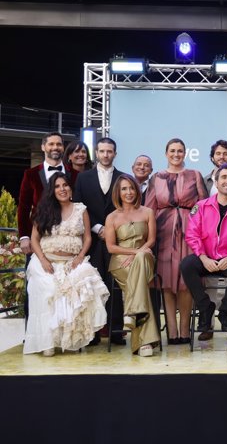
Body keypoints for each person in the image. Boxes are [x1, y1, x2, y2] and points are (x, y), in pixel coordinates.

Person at [23, 173, 109, 356]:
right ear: (52, 190)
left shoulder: (80, 209)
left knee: (85, 281)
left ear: (70, 188)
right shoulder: (44, 210)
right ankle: (47, 341)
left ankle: (70, 338)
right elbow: (34, 239)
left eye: (65, 185)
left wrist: (80, 257)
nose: (62, 189)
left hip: (71, 261)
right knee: (49, 288)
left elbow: (87, 237)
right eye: (57, 186)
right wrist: (43, 260)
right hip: (45, 261)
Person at [145, 138, 207, 345]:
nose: (176, 154)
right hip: (163, 233)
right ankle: (171, 330)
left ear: (185, 153)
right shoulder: (156, 178)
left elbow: (204, 207)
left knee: (186, 282)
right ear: (166, 153)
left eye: (180, 151)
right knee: (166, 281)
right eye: (172, 151)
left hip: (190, 232)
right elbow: (149, 209)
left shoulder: (195, 175)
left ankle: (184, 330)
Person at [181, 164, 227, 342]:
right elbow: (192, 235)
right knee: (187, 265)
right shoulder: (201, 206)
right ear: (216, 181)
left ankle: (225, 310)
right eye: (224, 177)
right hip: (206, 257)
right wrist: (203, 257)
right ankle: (205, 307)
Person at [73, 137, 125, 345]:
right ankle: (92, 334)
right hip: (92, 239)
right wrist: (97, 227)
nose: (106, 154)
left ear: (115, 154)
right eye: (102, 151)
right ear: (96, 153)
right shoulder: (83, 178)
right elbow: (78, 206)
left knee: (115, 283)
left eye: (109, 151)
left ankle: (116, 331)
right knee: (92, 285)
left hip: (117, 239)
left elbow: (126, 206)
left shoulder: (123, 178)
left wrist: (111, 229)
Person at [104, 174, 160, 357]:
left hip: (144, 257)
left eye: (131, 188)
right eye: (124, 189)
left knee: (142, 259)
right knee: (140, 286)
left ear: (137, 190)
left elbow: (151, 240)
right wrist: (134, 253)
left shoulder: (147, 212)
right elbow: (111, 247)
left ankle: (132, 313)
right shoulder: (111, 217)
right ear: (118, 192)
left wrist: (138, 253)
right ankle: (144, 343)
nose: (128, 192)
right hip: (121, 261)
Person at [18, 132, 74, 255]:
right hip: (38, 235)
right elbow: (23, 207)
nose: (55, 147)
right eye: (51, 144)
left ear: (63, 147)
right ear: (43, 147)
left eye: (59, 144)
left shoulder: (75, 174)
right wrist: (24, 236)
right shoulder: (30, 174)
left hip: (68, 237)